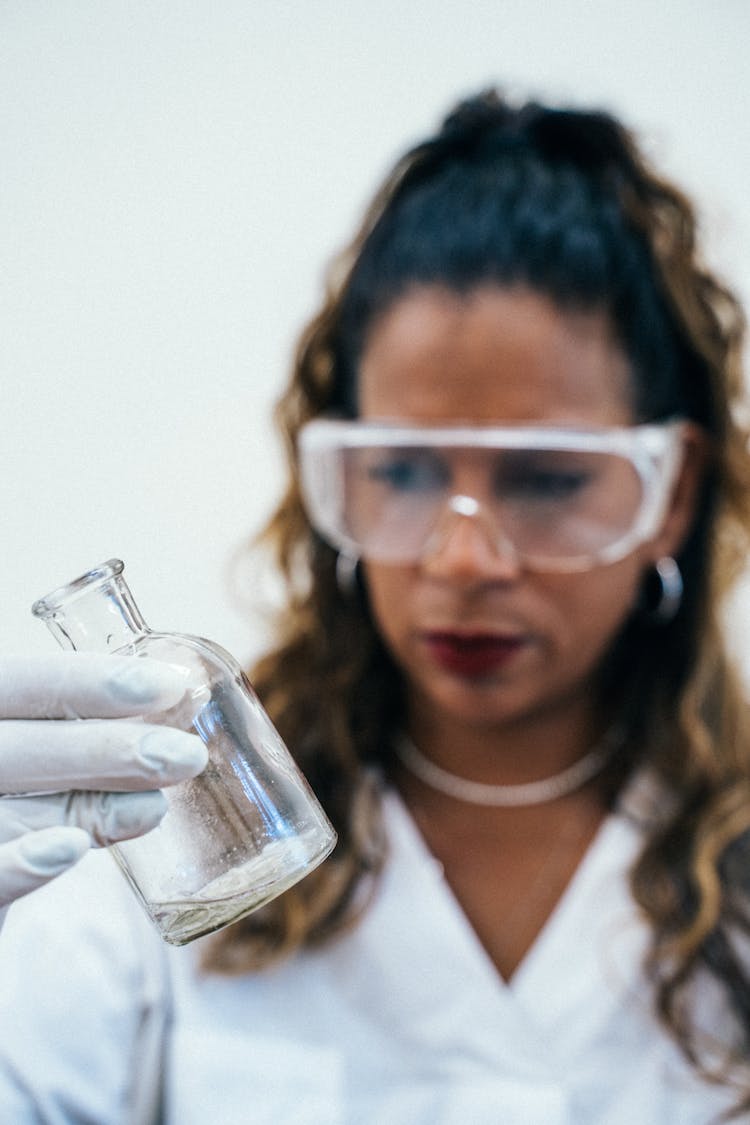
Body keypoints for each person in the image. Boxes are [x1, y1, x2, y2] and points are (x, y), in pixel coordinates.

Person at [1, 87, 750, 1123]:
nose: (463, 558)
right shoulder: (173, 824)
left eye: (545, 479)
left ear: (667, 494)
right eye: (401, 471)